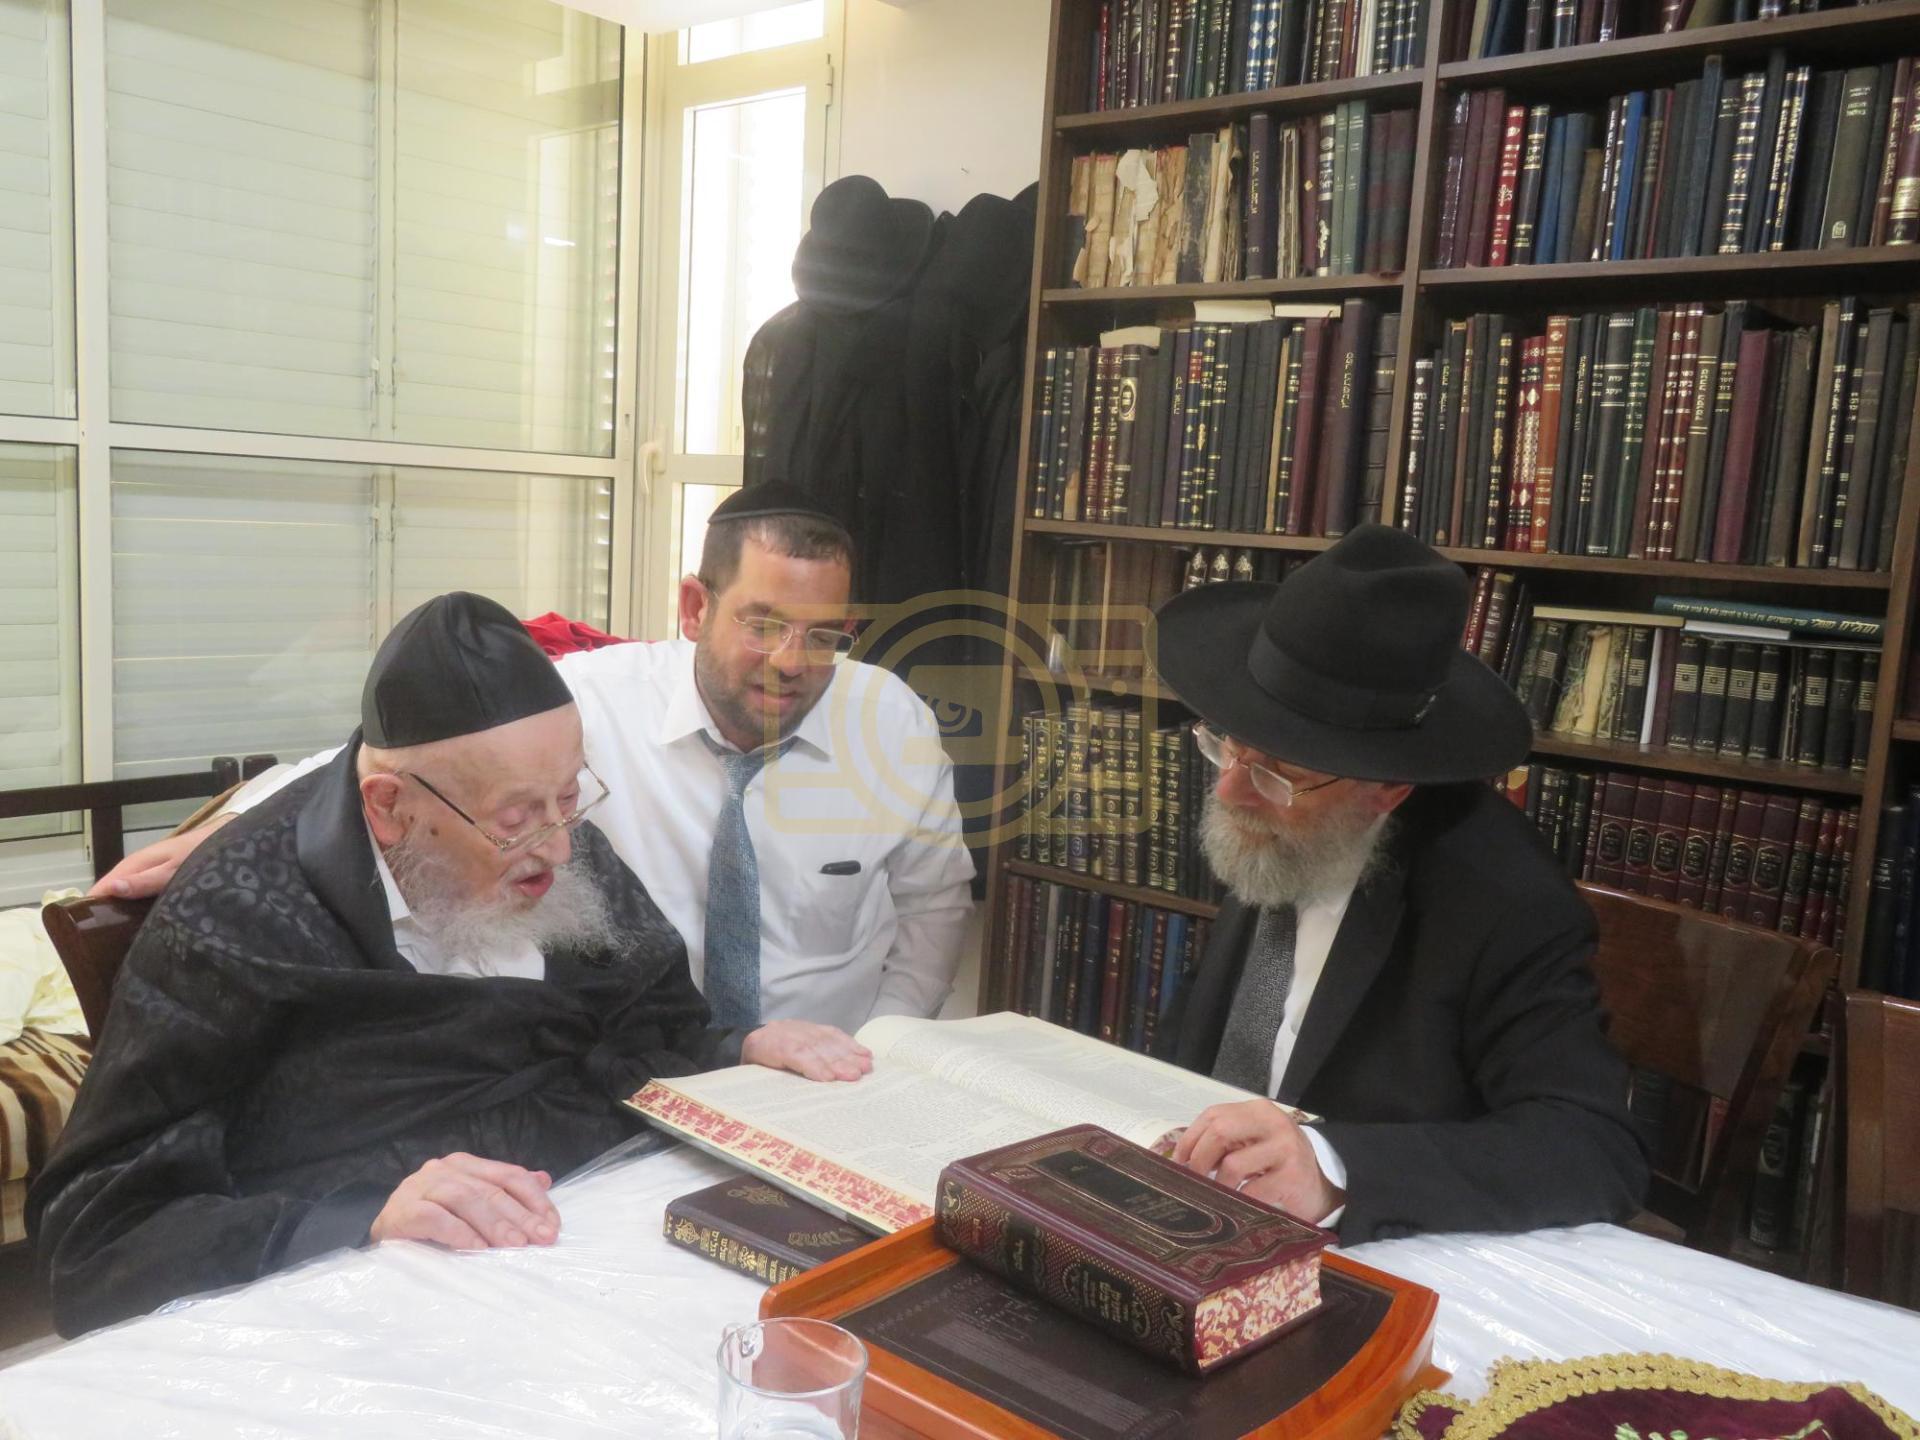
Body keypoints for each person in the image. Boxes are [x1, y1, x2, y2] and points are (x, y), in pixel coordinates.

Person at [30, 594, 871, 1336]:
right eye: (516, 819)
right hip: (371, 1314)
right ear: (388, 809)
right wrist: (368, 1216)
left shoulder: (561, 849)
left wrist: (736, 1048)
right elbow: (98, 1238)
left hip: (607, 1245)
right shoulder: (237, 919)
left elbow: (654, 1029)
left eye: (570, 797)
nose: (560, 849)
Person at [90, 484, 978, 1033]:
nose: (792, 661)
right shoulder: (591, 700)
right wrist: (230, 829)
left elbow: (933, 907)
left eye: (823, 636)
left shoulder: (891, 723)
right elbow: (391, 758)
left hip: (820, 1074)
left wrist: (887, 1048)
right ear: (694, 607)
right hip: (644, 1068)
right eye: (763, 624)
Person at [1151, 525, 1648, 1242]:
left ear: (1386, 789)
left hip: (1383, 1253)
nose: (1230, 790)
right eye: (1227, 742)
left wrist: (1334, 1169)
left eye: (1279, 772)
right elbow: (1211, 1032)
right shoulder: (1280, 822)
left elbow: (1594, 1148)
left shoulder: (1506, 899)